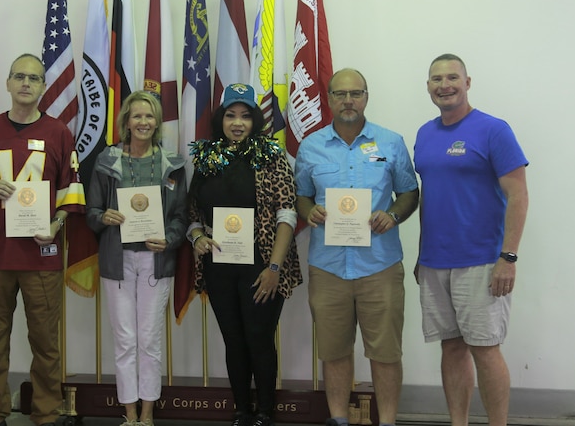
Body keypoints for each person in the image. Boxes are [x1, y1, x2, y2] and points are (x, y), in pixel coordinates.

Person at [0, 54, 84, 426]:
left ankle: (45, 414)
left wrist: (56, 226)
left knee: (46, 343)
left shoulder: (59, 132)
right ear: (8, 83)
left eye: (35, 78)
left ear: (44, 87)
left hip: (41, 258)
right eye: (20, 76)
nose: (26, 83)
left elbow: (71, 192)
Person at [294, 69, 419, 426]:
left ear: (366, 96)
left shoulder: (390, 143)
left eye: (356, 93)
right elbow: (301, 196)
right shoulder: (311, 146)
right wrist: (310, 210)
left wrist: (392, 215)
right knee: (333, 351)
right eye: (340, 94)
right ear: (329, 98)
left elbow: (409, 192)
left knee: (385, 353)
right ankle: (338, 419)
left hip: (379, 265)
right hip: (328, 266)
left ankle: (389, 421)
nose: (348, 101)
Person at [413, 54, 528, 426]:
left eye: (452, 77)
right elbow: (431, 195)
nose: (444, 85)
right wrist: (420, 255)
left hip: (481, 261)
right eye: (436, 79)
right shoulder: (424, 134)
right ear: (427, 86)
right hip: (434, 262)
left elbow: (518, 196)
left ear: (467, 82)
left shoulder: (494, 130)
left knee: (486, 349)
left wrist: (507, 257)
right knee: (451, 346)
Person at [187, 83, 302, 426]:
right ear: (221, 118)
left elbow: (287, 213)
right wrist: (196, 238)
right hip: (220, 266)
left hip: (262, 264)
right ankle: (241, 410)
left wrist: (274, 267)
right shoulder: (207, 157)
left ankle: (265, 411)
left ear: (255, 120)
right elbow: (193, 213)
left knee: (259, 338)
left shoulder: (271, 155)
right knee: (233, 340)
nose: (237, 123)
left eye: (245, 116)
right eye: (231, 115)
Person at [86, 91, 187, 426]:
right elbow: (91, 213)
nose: (143, 122)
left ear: (157, 122)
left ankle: (147, 415)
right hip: (118, 262)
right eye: (137, 116)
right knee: (126, 340)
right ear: (126, 121)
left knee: (150, 339)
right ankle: (129, 415)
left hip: (156, 263)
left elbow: (181, 217)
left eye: (150, 116)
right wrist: (105, 218)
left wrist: (169, 239)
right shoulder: (106, 161)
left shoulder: (172, 164)